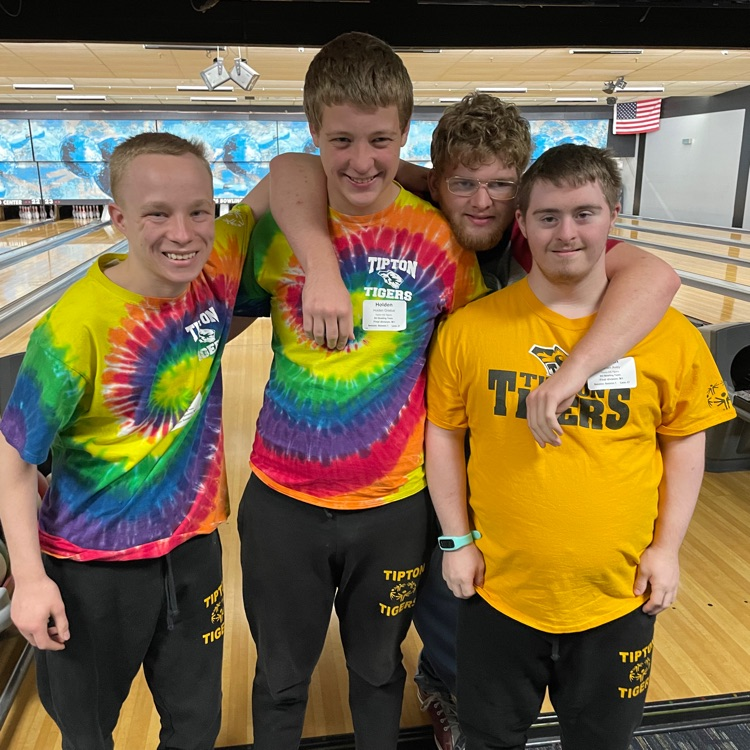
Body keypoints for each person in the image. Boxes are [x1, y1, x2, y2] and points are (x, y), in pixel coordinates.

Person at [265, 93, 681, 750]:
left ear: (520, 193)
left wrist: (573, 373)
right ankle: (447, 681)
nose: (482, 201)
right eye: (464, 184)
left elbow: (656, 275)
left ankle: (458, 682)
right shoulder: (416, 214)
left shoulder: (533, 234)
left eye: (500, 186)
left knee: (475, 581)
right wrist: (320, 262)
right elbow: (293, 166)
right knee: (443, 577)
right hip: (408, 452)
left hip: (494, 452)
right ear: (436, 181)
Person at [424, 143, 736, 750]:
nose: (566, 233)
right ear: (523, 223)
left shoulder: (668, 337)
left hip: (618, 598)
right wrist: (456, 541)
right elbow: (444, 433)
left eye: (584, 213)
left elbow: (684, 443)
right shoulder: (470, 329)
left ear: (614, 217)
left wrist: (668, 549)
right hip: (498, 593)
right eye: (548, 217)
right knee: (487, 738)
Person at [232, 31, 488, 750]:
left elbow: (466, 358)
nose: (361, 160)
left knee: (379, 670)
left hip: (395, 510)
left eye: (380, 140)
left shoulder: (440, 243)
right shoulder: (280, 233)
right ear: (315, 132)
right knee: (281, 677)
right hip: (282, 505)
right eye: (340, 139)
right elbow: (199, 327)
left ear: (404, 136)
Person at [0, 131, 266, 750]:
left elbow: (285, 174)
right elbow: (13, 464)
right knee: (88, 733)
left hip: (194, 553)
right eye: (156, 213)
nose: (183, 232)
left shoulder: (215, 263)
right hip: (91, 574)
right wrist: (32, 579)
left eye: (199, 211)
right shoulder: (74, 328)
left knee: (197, 725)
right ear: (117, 217)